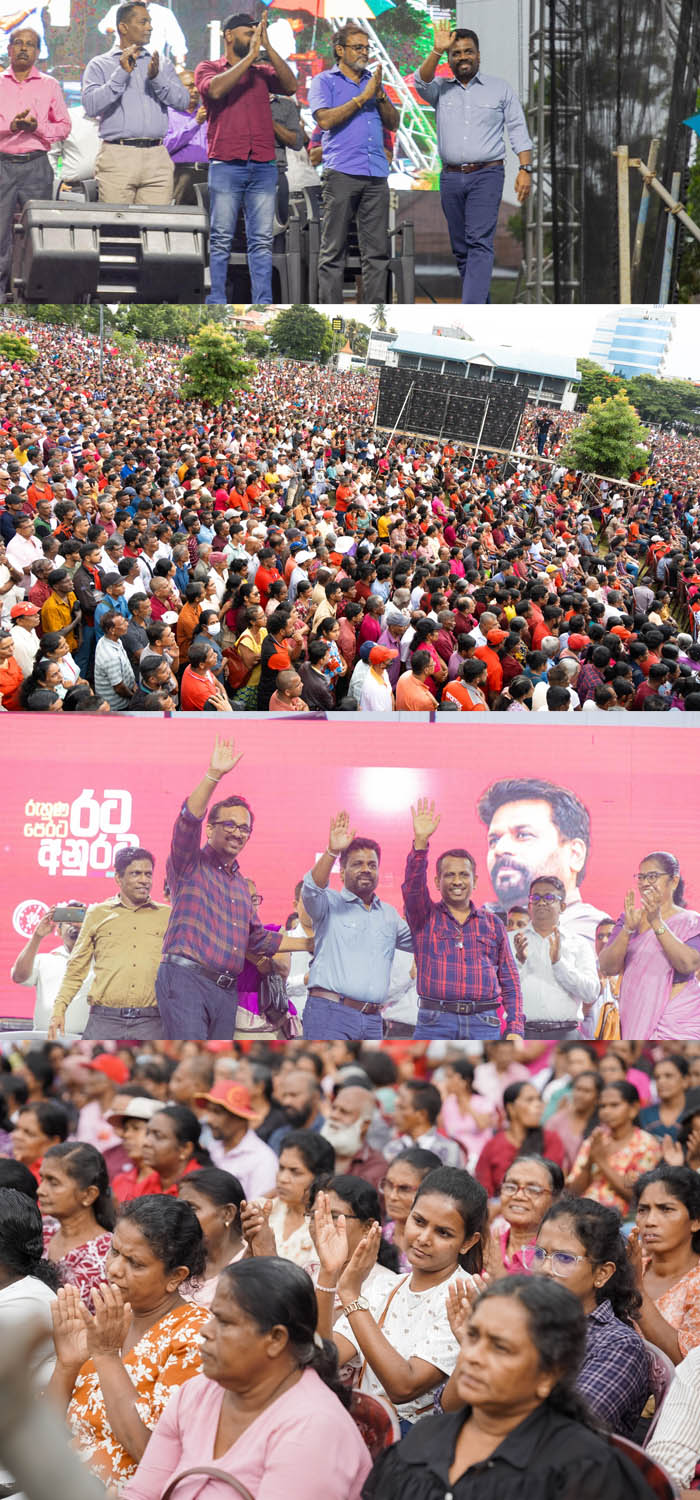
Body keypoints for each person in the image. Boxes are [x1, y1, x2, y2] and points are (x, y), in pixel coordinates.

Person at [361, 1276, 658, 1500]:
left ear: (548, 1374)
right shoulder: (423, 1439)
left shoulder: (584, 1469)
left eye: (500, 1348)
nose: (473, 1356)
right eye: (473, 1337)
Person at [120, 1257, 372, 1500]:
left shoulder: (314, 1428)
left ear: (275, 1340)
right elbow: (142, 1493)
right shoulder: (196, 1393)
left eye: (224, 1322)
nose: (205, 1331)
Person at [49, 1195, 209, 1491]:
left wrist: (107, 1356)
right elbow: (42, 1436)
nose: (114, 1269)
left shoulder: (194, 1333)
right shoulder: (114, 1316)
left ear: (176, 1277)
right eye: (114, 1252)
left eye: (134, 1263)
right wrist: (67, 1365)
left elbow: (152, 1455)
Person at [156, 737, 308, 1038]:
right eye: (231, 825)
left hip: (226, 991)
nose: (238, 833)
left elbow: (256, 938)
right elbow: (187, 821)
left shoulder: (240, 885)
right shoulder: (189, 863)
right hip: (186, 979)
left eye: (245, 829)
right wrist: (214, 774)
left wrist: (308, 944)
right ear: (210, 829)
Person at [317, 1165, 488, 1432]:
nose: (423, 1238)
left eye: (443, 1232)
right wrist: (328, 1274)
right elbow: (324, 1359)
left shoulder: (465, 1298)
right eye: (418, 1221)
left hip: (417, 1442)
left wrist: (351, 1296)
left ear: (468, 1242)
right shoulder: (386, 1286)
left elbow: (403, 1386)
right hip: (361, 1429)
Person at [412, 24, 532, 304]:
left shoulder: (499, 88)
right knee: (462, 251)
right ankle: (482, 308)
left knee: (479, 242)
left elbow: (518, 129)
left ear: (479, 55)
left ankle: (470, 311)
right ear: (450, 59)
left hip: (486, 175)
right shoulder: (439, 89)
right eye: (456, 53)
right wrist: (436, 50)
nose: (463, 57)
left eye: (468, 52)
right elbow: (420, 82)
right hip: (451, 178)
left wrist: (525, 169)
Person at [194, 14, 297, 304]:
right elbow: (214, 90)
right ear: (228, 35)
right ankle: (216, 301)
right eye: (247, 32)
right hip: (227, 163)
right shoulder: (209, 67)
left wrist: (267, 49)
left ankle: (262, 302)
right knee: (221, 238)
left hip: (263, 164)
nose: (253, 36)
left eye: (256, 32)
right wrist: (250, 57)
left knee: (262, 241)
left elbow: (290, 86)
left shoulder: (263, 71)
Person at [403, 798, 523, 1041]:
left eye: (463, 875)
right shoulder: (424, 916)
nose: (457, 881)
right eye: (449, 875)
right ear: (437, 882)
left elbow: (510, 981)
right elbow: (412, 887)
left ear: (475, 881)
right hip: (435, 1022)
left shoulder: (493, 924)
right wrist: (421, 843)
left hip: (484, 1022)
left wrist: (516, 1027)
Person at [531, 1197, 651, 1435]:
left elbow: (567, 1434)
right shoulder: (521, 1317)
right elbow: (447, 1407)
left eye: (563, 1258)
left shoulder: (619, 1345)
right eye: (540, 1253)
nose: (544, 1268)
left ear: (602, 1273)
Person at [301, 811, 414, 1042]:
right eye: (358, 864)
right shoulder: (329, 903)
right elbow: (311, 888)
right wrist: (332, 851)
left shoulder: (390, 915)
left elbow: (423, 941)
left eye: (372, 865)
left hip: (373, 1020)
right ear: (341, 873)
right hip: (329, 1014)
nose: (366, 869)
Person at [308, 23, 399, 303]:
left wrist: (379, 94)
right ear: (340, 50)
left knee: (377, 253)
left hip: (376, 175)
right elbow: (324, 120)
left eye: (366, 48)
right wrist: (362, 98)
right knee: (333, 250)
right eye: (358, 47)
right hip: (342, 174)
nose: (364, 53)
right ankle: (332, 311)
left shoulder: (373, 82)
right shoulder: (325, 81)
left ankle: (373, 311)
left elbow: (393, 123)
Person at [48, 846, 169, 1042]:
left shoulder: (166, 916)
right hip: (104, 1021)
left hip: (151, 1022)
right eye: (136, 873)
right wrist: (59, 1010)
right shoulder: (97, 914)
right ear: (118, 878)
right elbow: (76, 968)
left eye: (148, 874)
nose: (144, 880)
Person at [476, 777, 610, 944]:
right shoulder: (482, 922)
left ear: (574, 854)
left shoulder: (596, 933)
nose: (500, 849)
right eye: (494, 840)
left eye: (523, 835)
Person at [81, 0, 189, 204]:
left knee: (155, 229)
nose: (150, 27)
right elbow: (91, 106)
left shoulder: (160, 63)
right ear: (123, 27)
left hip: (157, 157)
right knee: (117, 228)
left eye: (149, 22)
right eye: (143, 22)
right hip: (118, 156)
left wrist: (157, 78)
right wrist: (121, 73)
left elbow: (183, 102)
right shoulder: (100, 64)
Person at [599, 851, 700, 1039]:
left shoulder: (691, 922)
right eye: (641, 877)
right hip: (635, 1016)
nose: (645, 883)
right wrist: (628, 929)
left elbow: (688, 964)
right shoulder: (629, 919)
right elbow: (607, 967)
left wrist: (657, 923)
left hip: (679, 1023)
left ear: (674, 881)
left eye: (652, 876)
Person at [0, 28, 70, 297]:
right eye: (18, 43)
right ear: (8, 49)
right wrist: (11, 127)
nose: (23, 48)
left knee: (39, 236)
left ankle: (32, 297)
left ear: (38, 53)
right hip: (2, 164)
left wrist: (36, 127)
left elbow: (64, 126)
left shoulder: (50, 85)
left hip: (36, 166)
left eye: (30, 45)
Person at [510, 875, 600, 1039]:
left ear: (563, 906)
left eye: (549, 897)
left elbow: (591, 993)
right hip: (519, 1032)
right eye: (535, 897)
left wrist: (559, 963)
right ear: (529, 904)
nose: (541, 902)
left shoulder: (578, 943)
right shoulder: (511, 940)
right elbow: (498, 989)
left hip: (566, 1033)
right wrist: (519, 962)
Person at [630, 1164, 700, 1363]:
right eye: (643, 1210)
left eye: (666, 1209)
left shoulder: (696, 1283)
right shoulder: (633, 1266)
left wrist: (637, 1291)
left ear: (696, 1221)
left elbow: (687, 1364)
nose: (650, 1221)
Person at [37, 1141, 115, 1310]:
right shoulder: (41, 1230)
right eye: (42, 1179)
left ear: (88, 1194)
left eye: (53, 1182)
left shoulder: (108, 1255)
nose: (40, 1190)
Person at [567, 1081, 661, 1216]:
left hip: (620, 1221)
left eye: (614, 1105)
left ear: (633, 1109)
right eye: (602, 1106)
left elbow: (637, 1197)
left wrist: (601, 1161)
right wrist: (589, 1162)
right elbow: (573, 1193)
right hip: (581, 1214)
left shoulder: (647, 1144)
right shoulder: (595, 1140)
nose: (606, 1111)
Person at [244, 1129, 334, 1269]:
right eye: (281, 1168)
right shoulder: (262, 1211)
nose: (282, 1179)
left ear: (320, 1178)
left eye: (295, 1172)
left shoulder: (327, 1226)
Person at [475, 1081, 566, 1197]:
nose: (538, 1105)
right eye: (530, 1100)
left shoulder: (551, 1139)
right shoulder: (493, 1145)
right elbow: (484, 1189)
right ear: (511, 1108)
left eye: (539, 1099)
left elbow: (551, 1185)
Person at [11, 903, 90, 1032]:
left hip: (83, 1037)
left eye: (80, 921)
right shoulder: (44, 960)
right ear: (58, 930)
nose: (75, 925)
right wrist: (37, 936)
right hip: (43, 1036)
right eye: (69, 920)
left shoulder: (100, 962)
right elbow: (18, 977)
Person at [194, 1080, 278, 1200]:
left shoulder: (262, 1160)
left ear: (240, 1117)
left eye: (217, 1112)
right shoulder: (212, 1147)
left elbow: (257, 1211)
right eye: (209, 1111)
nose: (209, 1119)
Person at [178, 1166, 246, 1308]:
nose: (181, 1216)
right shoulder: (181, 1259)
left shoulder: (249, 1263)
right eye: (180, 1208)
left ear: (227, 1213)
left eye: (192, 1208)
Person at [487, 1155, 563, 1278]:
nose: (519, 1196)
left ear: (555, 1200)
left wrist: (498, 1273)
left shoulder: (556, 1257)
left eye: (533, 1189)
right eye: (511, 1187)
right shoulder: (489, 1244)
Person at [380, 1148, 443, 1272]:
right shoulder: (376, 1237)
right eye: (389, 1184)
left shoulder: (437, 1248)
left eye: (404, 1188)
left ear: (429, 1192)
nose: (392, 1196)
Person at [319, 1084, 388, 1190]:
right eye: (334, 1108)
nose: (334, 1115)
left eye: (344, 1112)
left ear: (365, 1125)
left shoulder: (376, 1166)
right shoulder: (314, 1155)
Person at [108, 1097, 164, 1202]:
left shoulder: (168, 1182)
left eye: (136, 1128)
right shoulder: (120, 1181)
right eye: (126, 1129)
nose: (126, 1135)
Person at [546, 1069, 602, 1170]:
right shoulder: (557, 1120)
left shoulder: (602, 1126)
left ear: (598, 1097)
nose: (580, 1095)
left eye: (586, 1091)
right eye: (577, 1089)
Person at [9, 1098, 70, 1180]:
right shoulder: (13, 1164)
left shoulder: (49, 1179)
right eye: (16, 1128)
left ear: (53, 1142)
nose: (16, 1136)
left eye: (28, 1133)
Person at [639, 1054, 690, 1141]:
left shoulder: (693, 1115)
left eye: (668, 1076)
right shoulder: (643, 1115)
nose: (661, 1081)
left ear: (685, 1080)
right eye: (657, 1077)